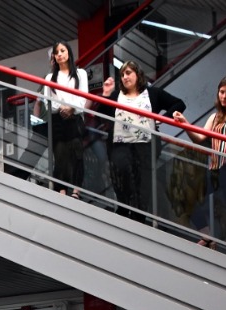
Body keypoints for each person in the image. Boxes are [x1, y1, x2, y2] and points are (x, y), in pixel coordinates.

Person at [174, 74, 226, 258]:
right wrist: (185, 123)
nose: (224, 96)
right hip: (217, 166)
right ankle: (208, 236)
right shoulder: (215, 116)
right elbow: (200, 138)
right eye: (221, 92)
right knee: (188, 194)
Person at [99, 59, 185, 222]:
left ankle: (139, 215)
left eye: (128, 73)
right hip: (120, 143)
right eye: (122, 74)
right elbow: (100, 114)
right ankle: (124, 208)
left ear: (138, 74)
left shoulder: (153, 93)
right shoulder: (117, 95)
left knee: (142, 180)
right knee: (121, 170)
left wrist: (163, 118)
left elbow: (179, 104)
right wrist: (105, 94)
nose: (125, 77)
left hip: (146, 145)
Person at [36, 41, 89, 198]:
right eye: (56, 52)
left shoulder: (81, 74)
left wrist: (71, 108)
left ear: (69, 53)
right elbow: (47, 101)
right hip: (57, 118)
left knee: (77, 153)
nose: (59, 54)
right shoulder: (49, 77)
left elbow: (83, 96)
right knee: (60, 155)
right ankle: (62, 191)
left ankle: (76, 191)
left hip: (75, 117)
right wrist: (61, 108)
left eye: (62, 50)